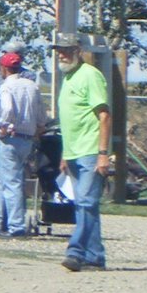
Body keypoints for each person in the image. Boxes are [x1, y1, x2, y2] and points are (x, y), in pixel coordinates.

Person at [52, 32, 111, 271]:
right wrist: (65, 154)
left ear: (78, 51)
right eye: (59, 50)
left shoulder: (90, 76)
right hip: (74, 151)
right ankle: (95, 256)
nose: (62, 54)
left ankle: (75, 251)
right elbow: (70, 119)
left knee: (86, 202)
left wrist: (103, 153)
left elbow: (104, 116)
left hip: (90, 150)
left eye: (66, 49)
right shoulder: (67, 78)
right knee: (85, 205)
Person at [0, 51, 46, 237]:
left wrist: (4, 125)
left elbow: (8, 109)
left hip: (10, 138)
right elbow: (41, 115)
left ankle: (16, 225)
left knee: (11, 182)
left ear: (4, 68)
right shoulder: (32, 86)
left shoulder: (7, 86)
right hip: (26, 139)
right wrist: (38, 129)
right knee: (0, 178)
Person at [0, 40, 35, 199]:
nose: (3, 56)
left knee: (12, 175)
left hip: (14, 132)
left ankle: (11, 214)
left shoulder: (28, 77)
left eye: (7, 53)